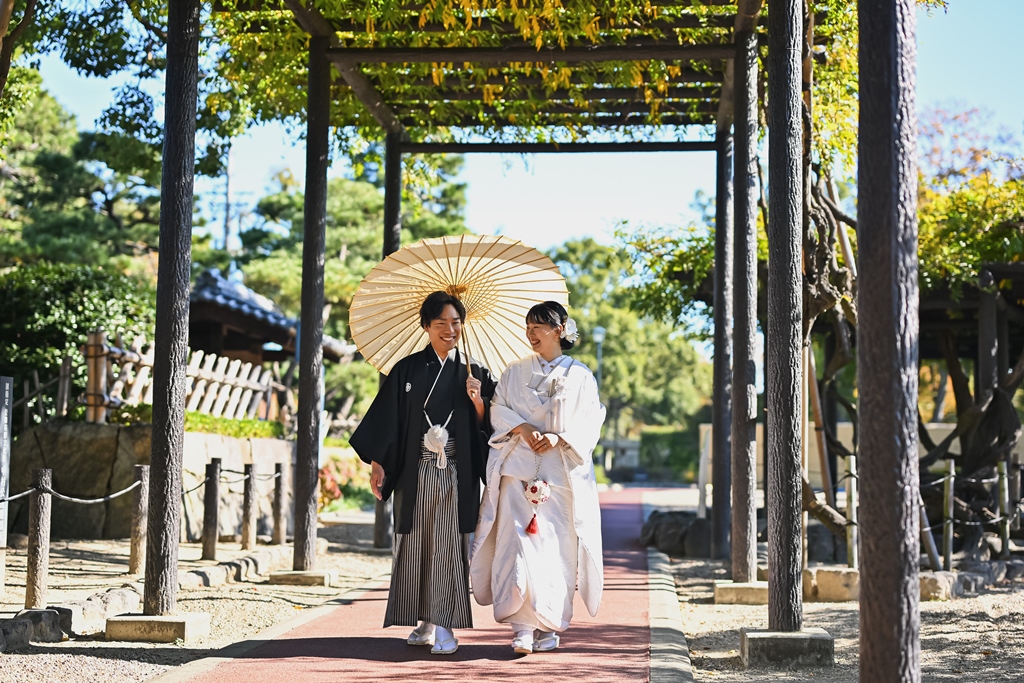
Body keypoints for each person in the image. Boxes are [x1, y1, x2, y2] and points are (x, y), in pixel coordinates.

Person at [350, 290, 496, 655]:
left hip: (457, 471)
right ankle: (426, 620)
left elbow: (493, 427)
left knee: (448, 546)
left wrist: (479, 403)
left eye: (456, 323)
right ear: (426, 326)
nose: (450, 330)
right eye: (441, 323)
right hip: (416, 471)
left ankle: (446, 625)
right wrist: (378, 462)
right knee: (416, 543)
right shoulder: (407, 369)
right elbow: (388, 422)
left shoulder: (476, 371)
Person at [470, 301, 606, 655]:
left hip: (560, 476)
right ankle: (522, 628)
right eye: (528, 327)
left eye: (539, 328)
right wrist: (523, 426)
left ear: (559, 330)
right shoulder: (514, 371)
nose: (531, 334)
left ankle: (550, 625)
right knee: (515, 548)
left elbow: (591, 421)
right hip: (517, 473)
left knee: (557, 551)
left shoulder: (582, 377)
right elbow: (498, 408)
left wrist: (560, 438)